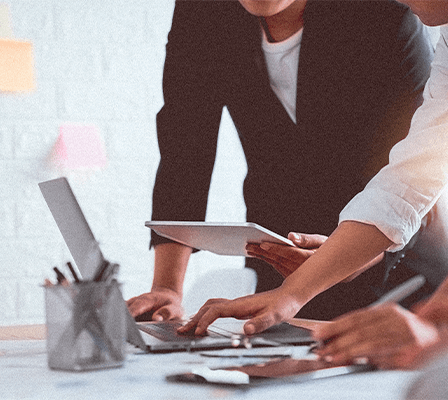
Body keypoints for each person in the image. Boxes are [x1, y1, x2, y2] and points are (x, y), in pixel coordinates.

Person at [127, 0, 433, 323]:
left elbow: (418, 174)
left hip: (399, 274)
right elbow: (185, 146)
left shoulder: (385, 12)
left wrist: (344, 258)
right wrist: (167, 289)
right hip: (279, 270)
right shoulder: (203, 11)